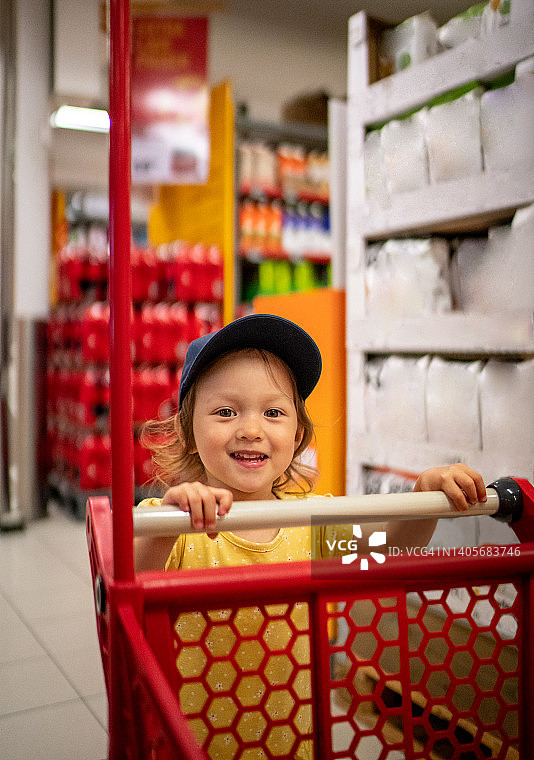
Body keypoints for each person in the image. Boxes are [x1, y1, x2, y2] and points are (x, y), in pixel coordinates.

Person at [134, 313, 487, 759]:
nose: (251, 429)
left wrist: (423, 497)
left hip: (292, 741)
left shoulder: (310, 523)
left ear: (297, 434)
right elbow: (131, 577)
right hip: (193, 744)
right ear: (188, 431)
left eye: (273, 413)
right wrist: (172, 521)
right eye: (225, 412)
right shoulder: (173, 523)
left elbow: (388, 545)